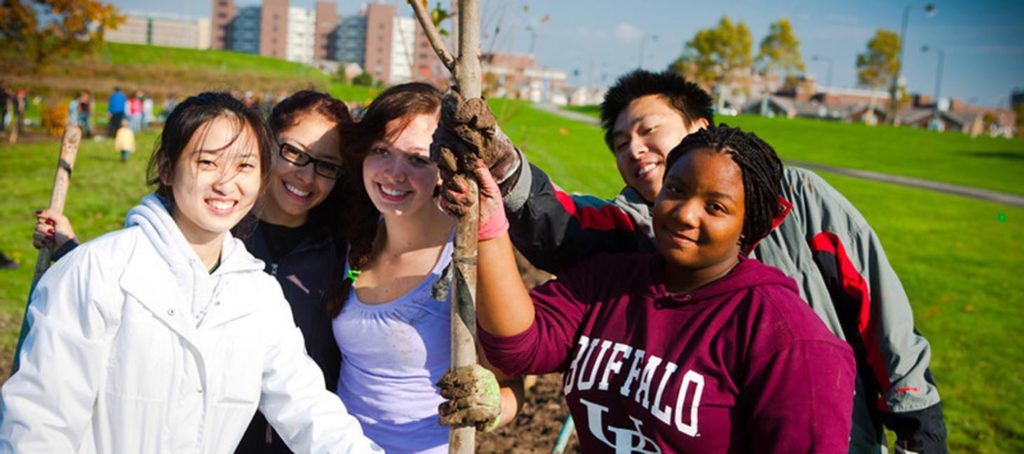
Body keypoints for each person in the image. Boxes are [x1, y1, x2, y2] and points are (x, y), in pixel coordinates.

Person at [440, 69, 947, 453]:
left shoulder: (802, 205)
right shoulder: (638, 228)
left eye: (647, 130)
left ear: (701, 127)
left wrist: (915, 418)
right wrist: (502, 172)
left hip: (832, 427)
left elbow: (876, 308)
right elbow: (565, 226)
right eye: (621, 143)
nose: (635, 150)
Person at [3, 91, 381, 453]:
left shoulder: (258, 295)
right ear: (167, 168)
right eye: (207, 162)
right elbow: (39, 426)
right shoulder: (95, 271)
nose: (226, 182)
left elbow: (309, 410)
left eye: (244, 166)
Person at [471, 125, 856, 452]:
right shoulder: (608, 282)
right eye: (676, 190)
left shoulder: (789, 340)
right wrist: (488, 225)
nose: (686, 214)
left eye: (716, 207)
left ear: (750, 224)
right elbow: (518, 349)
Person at [328, 82, 522, 453]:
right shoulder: (355, 239)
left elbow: (511, 385)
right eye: (381, 151)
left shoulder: (464, 257)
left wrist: (492, 408)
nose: (393, 173)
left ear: (443, 167)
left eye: (418, 159)